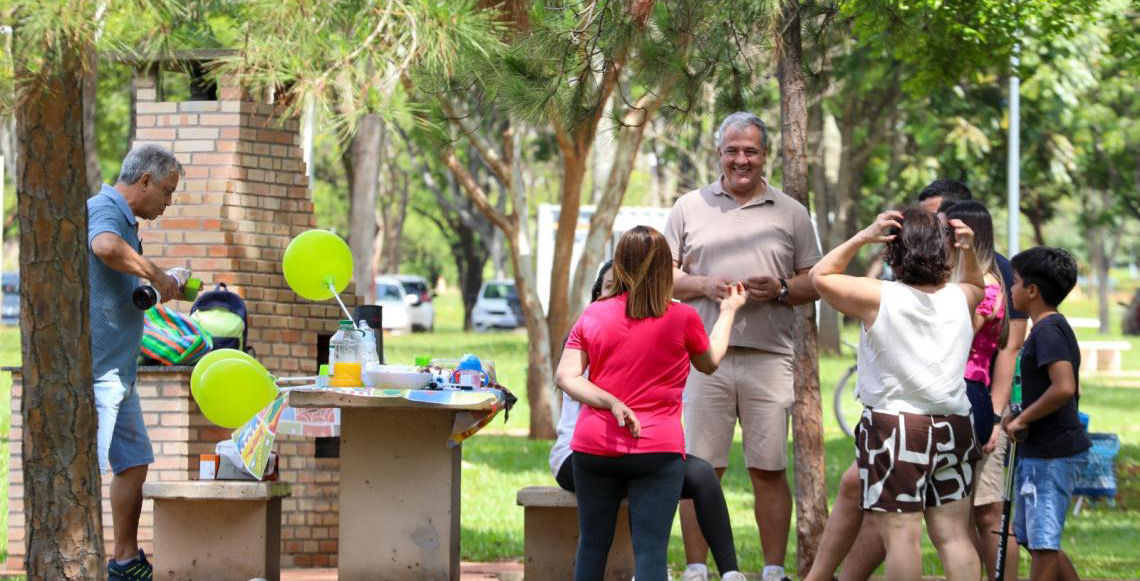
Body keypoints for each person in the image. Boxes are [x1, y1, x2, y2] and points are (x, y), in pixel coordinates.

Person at [805, 184, 1029, 581]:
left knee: (903, 536)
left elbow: (821, 276)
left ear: (894, 253)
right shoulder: (962, 297)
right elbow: (977, 283)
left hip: (896, 426)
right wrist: (966, 248)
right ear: (943, 252)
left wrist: (863, 236)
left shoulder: (878, 296)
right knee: (953, 535)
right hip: (954, 425)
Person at [664, 111, 821, 581]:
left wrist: (777, 288)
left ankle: (773, 569)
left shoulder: (791, 211)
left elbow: (814, 280)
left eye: (750, 150)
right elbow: (663, 275)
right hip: (700, 358)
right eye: (732, 150)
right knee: (698, 471)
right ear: (718, 154)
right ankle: (696, 568)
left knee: (768, 468)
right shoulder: (688, 207)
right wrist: (702, 284)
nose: (741, 159)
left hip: (770, 358)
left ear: (765, 155)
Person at [555, 226, 746, 581]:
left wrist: (610, 401)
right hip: (658, 452)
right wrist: (729, 311)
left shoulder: (593, 314)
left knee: (593, 545)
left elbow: (566, 377)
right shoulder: (683, 317)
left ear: (621, 265)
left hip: (594, 449)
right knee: (650, 551)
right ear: (663, 269)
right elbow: (710, 361)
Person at [89, 144, 183, 580]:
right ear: (144, 180)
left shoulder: (129, 222)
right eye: (166, 191)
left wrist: (159, 286)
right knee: (88, 471)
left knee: (134, 461)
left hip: (120, 373)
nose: (168, 202)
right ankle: (83, 560)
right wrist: (155, 273)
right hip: (93, 373)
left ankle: (124, 561)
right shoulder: (106, 209)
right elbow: (104, 247)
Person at [1003, 247, 1090, 581]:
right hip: (1037, 450)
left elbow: (1064, 386)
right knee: (1031, 537)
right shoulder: (1044, 328)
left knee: (1043, 542)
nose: (1011, 290)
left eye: (1015, 282)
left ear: (1032, 291)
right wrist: (1018, 415)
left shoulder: (1049, 330)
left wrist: (1024, 419)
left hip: (1052, 454)